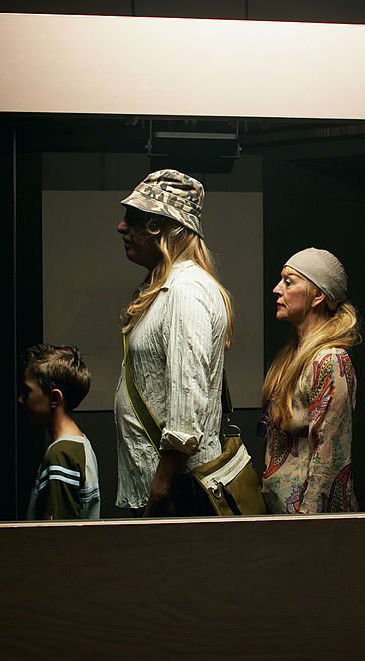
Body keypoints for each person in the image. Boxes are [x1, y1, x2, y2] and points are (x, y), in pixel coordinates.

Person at [113, 169, 233, 517]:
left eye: (134, 219)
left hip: (175, 494)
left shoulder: (184, 292)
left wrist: (160, 490)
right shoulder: (167, 287)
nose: (122, 227)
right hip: (165, 488)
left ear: (161, 228)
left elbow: (185, 407)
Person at [261, 248, 360, 514]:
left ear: (318, 295)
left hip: (308, 525)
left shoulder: (330, 361)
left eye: (288, 281)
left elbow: (330, 456)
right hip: (279, 516)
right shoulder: (292, 356)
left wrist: (310, 526)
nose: (276, 289)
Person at [19, 344, 100, 520]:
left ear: (55, 398)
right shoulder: (80, 444)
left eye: (27, 392)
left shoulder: (61, 456)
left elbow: (57, 538)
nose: (20, 400)